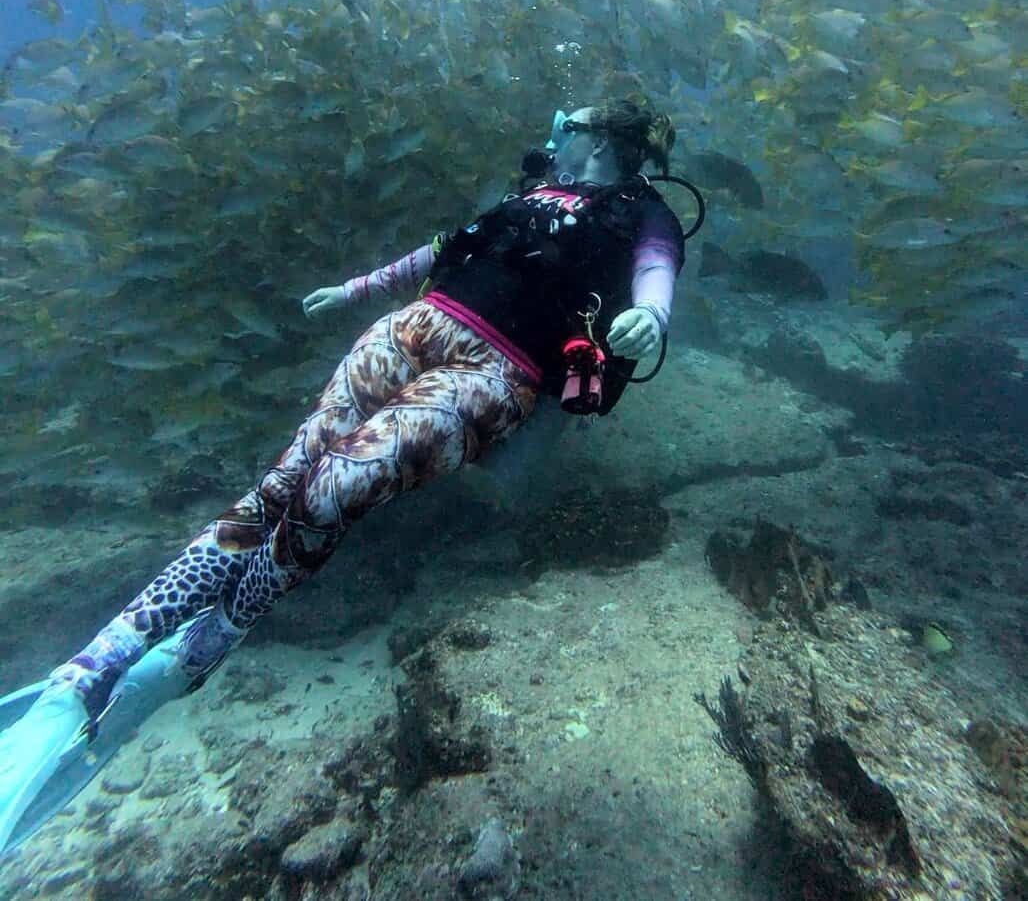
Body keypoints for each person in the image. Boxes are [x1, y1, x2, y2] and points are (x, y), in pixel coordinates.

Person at [0, 97, 686, 853]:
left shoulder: (642, 210)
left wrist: (651, 320)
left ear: (604, 134)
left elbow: (656, 272)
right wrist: (356, 289)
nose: (555, 131)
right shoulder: (532, 188)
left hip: (501, 370)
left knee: (335, 489)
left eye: (570, 121)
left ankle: (211, 639)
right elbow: (445, 249)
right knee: (276, 490)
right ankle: (88, 669)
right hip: (411, 327)